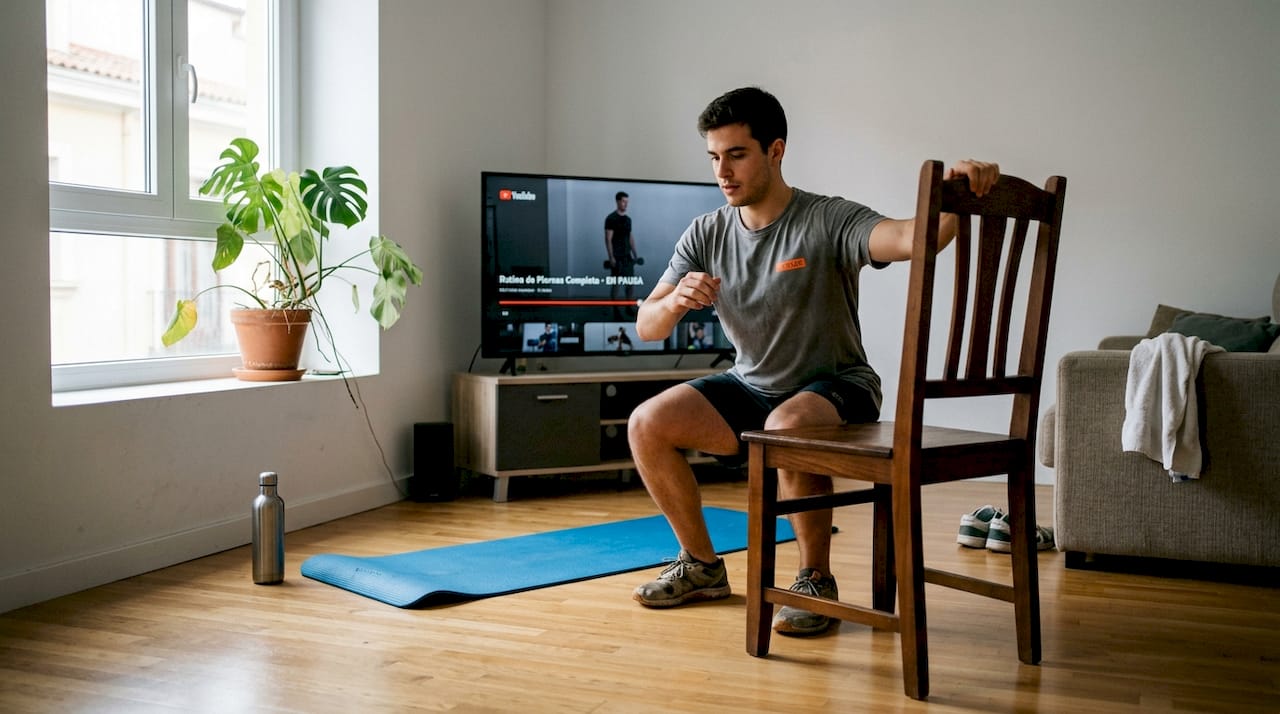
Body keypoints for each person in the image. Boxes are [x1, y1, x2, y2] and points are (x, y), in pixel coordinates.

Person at [627, 86, 998, 636]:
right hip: (753, 385)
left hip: (838, 385)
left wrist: (958, 196)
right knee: (646, 423)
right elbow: (646, 324)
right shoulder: (707, 232)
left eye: (737, 154)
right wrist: (677, 298)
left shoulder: (826, 219)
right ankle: (702, 565)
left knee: (788, 426)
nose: (722, 172)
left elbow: (911, 238)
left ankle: (814, 579)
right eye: (714, 157)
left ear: (775, 151)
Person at [605, 191, 640, 307]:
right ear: (618, 202)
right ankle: (615, 309)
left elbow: (630, 237)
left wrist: (635, 254)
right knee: (616, 284)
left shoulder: (628, 219)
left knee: (630, 284)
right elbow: (608, 239)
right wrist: (611, 258)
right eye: (624, 202)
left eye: (627, 202)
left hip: (627, 257)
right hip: (617, 257)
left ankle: (629, 307)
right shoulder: (611, 219)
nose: (626, 204)